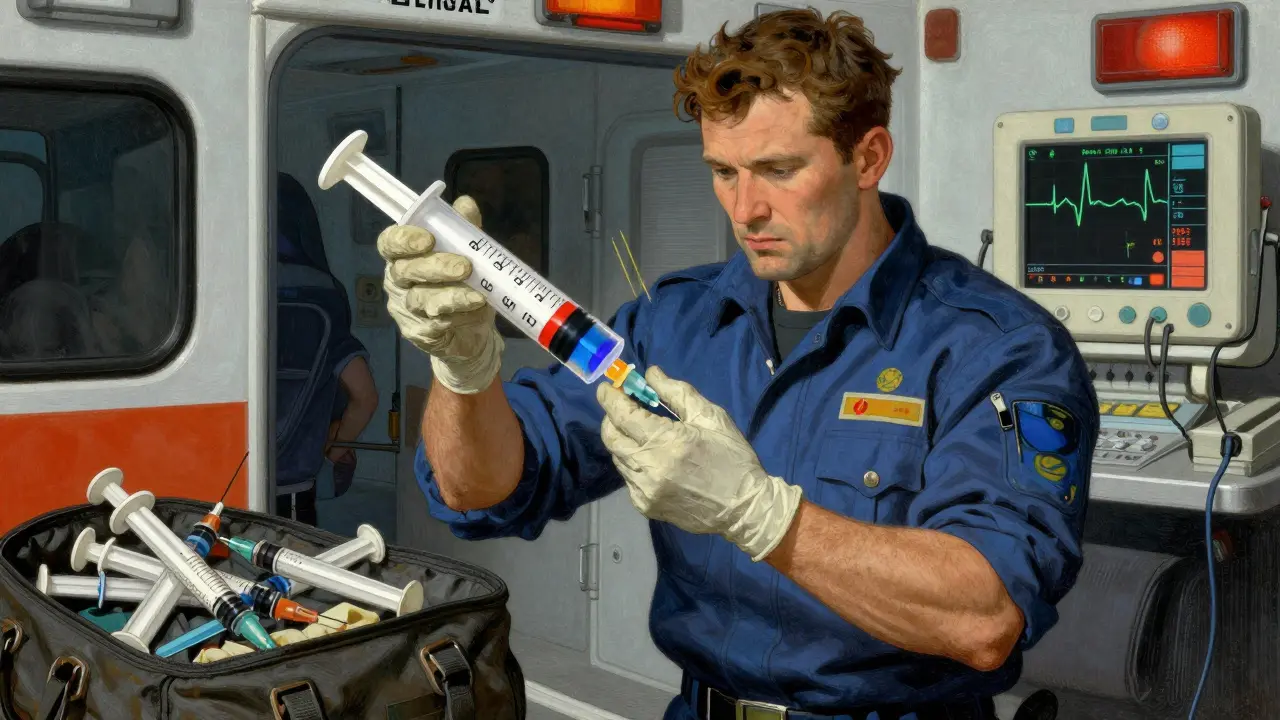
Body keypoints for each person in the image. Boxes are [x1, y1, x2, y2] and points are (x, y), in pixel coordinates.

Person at [377, 8, 1097, 719]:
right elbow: (479, 490)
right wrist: (463, 372)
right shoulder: (675, 323)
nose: (745, 209)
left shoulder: (996, 348)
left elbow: (985, 617)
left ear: (869, 158)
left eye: (779, 170)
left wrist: (763, 517)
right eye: (724, 171)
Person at [275, 172, 379, 524]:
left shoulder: (226, 291)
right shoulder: (325, 295)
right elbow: (365, 397)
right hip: (294, 486)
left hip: (226, 480)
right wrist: (337, 447)